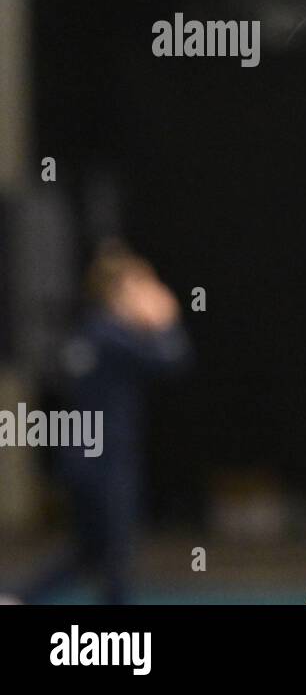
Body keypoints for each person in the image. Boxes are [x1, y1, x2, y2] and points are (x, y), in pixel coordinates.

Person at [18, 240, 192, 604]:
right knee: (115, 556)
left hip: (83, 458)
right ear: (120, 291)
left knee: (89, 551)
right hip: (104, 462)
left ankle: (15, 597)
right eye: (141, 287)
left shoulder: (92, 332)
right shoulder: (109, 335)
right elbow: (173, 360)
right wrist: (164, 320)